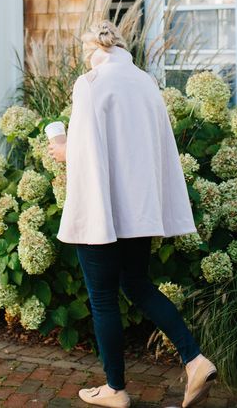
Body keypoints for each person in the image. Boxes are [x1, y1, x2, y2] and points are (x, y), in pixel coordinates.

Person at [48, 20, 217, 408]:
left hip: (102, 210)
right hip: (139, 210)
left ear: (94, 49)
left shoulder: (89, 84)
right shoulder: (146, 82)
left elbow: (86, 152)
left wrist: (62, 149)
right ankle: (195, 359)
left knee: (103, 297)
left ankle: (115, 389)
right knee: (138, 285)